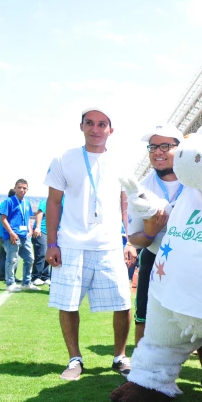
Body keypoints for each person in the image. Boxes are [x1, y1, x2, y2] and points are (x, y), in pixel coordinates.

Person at [44, 107, 136, 381]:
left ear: (111, 129)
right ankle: (75, 359)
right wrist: (52, 243)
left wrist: (129, 240)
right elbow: (53, 201)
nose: (95, 129)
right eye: (90, 123)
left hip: (109, 244)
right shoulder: (64, 158)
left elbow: (125, 203)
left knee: (123, 302)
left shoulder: (121, 161)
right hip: (71, 243)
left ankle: (120, 356)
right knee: (68, 303)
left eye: (102, 124)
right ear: (81, 126)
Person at [127, 123, 202, 390]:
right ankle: (142, 372)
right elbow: (135, 238)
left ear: (180, 149)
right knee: (145, 316)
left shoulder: (198, 179)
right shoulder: (141, 187)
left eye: (166, 146)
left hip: (196, 260)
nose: (159, 152)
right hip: (156, 260)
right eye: (154, 146)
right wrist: (150, 231)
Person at [0, 179, 37, 292]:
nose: (22, 190)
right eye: (19, 187)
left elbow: (28, 219)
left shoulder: (27, 203)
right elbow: (3, 219)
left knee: (30, 259)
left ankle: (26, 282)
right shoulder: (8, 202)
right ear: (15, 188)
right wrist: (11, 232)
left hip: (25, 236)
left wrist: (30, 230)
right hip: (13, 236)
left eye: (24, 188)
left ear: (27, 189)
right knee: (12, 260)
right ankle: (10, 283)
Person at [0, 189, 17, 281]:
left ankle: (1, 275)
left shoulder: (4, 204)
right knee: (12, 255)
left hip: (2, 232)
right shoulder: (10, 204)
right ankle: (9, 276)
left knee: (3, 254)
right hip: (7, 233)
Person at [31, 198, 51, 286]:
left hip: (52, 232)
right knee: (41, 253)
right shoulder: (46, 201)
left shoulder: (65, 201)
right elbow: (40, 212)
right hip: (42, 230)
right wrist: (38, 227)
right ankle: (35, 277)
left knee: (49, 254)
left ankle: (45, 276)